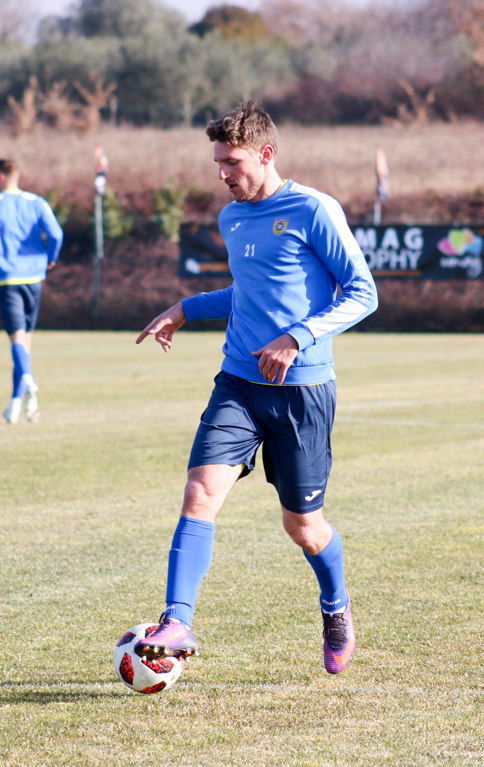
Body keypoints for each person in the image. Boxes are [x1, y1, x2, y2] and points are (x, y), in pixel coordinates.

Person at [135, 101, 378, 674]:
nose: (223, 174)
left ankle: (336, 604)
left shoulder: (314, 209)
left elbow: (363, 292)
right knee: (200, 494)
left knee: (303, 528)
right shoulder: (233, 218)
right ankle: (177, 620)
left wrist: (296, 337)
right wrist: (186, 308)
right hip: (239, 384)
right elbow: (247, 292)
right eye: (218, 163)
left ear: (266, 154)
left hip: (302, 393)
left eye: (233, 162)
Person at [0, 159, 64, 424]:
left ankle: (28, 380)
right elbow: (56, 234)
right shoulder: (37, 202)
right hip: (34, 277)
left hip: (8, 278)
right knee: (25, 343)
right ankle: (17, 403)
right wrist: (50, 258)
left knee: (16, 339)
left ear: (1, 177)